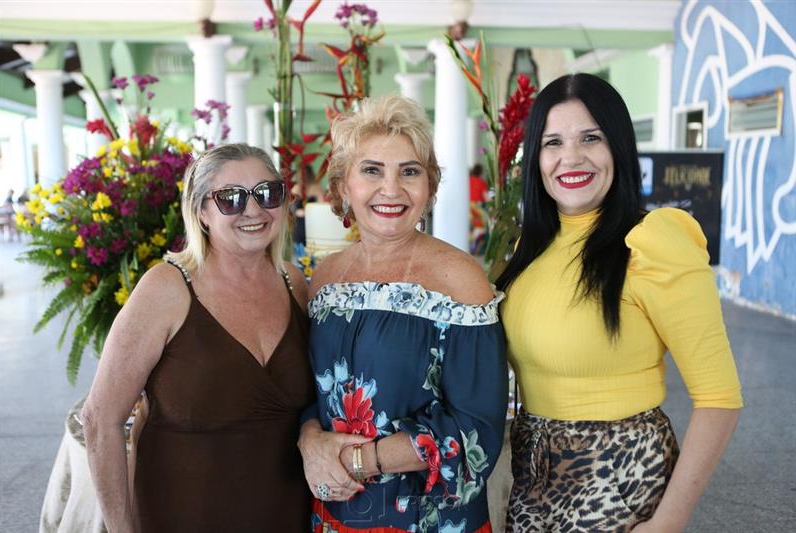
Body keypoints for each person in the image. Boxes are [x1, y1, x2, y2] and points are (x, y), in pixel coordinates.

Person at [497, 73, 743, 532]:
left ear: (619, 147)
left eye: (591, 138)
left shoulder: (653, 241)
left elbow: (719, 398)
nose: (571, 157)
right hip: (534, 481)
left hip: (619, 480)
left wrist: (668, 522)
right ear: (536, 158)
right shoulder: (530, 252)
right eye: (553, 142)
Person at [298, 94, 508, 532]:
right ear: (343, 186)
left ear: (429, 187)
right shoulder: (325, 277)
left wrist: (360, 461)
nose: (391, 189)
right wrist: (309, 439)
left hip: (426, 519)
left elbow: (476, 429)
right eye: (372, 170)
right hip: (335, 512)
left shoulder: (460, 279)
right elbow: (310, 392)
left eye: (409, 171)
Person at [82, 143, 315, 533]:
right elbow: (99, 419)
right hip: (181, 514)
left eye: (267, 193)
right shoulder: (166, 288)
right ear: (201, 211)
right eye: (231, 198)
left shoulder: (293, 283)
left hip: (285, 514)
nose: (253, 210)